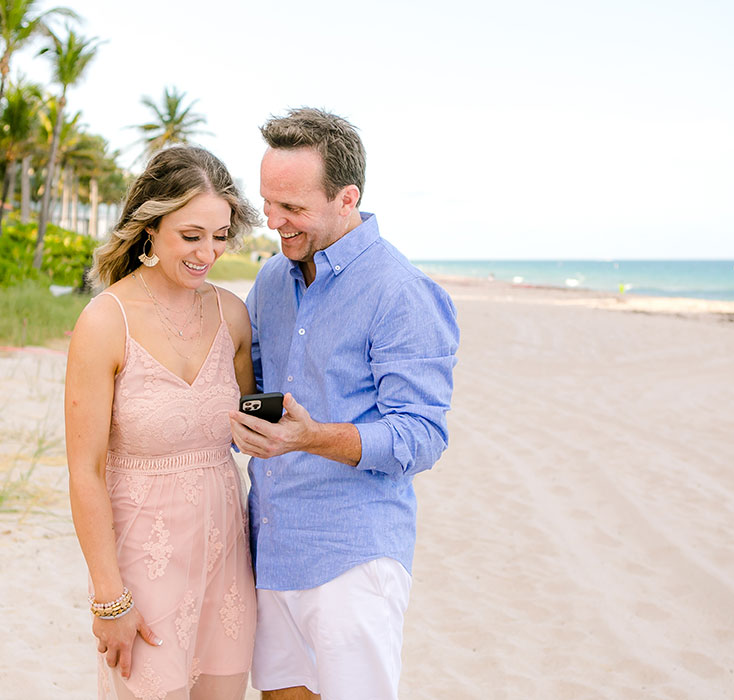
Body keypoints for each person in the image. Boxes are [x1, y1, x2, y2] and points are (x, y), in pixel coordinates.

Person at [229, 108, 460, 700]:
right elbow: (252, 393)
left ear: (346, 198)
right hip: (270, 546)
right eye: (268, 204)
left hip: (352, 557)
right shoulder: (272, 281)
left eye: (293, 208)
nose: (274, 222)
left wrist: (312, 437)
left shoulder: (401, 292)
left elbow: (419, 437)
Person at [65, 146, 260, 700]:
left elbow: (252, 424)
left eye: (220, 236)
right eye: (191, 235)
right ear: (150, 228)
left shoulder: (232, 315)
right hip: (142, 564)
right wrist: (109, 599)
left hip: (226, 558)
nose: (209, 253)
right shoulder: (106, 320)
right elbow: (85, 471)